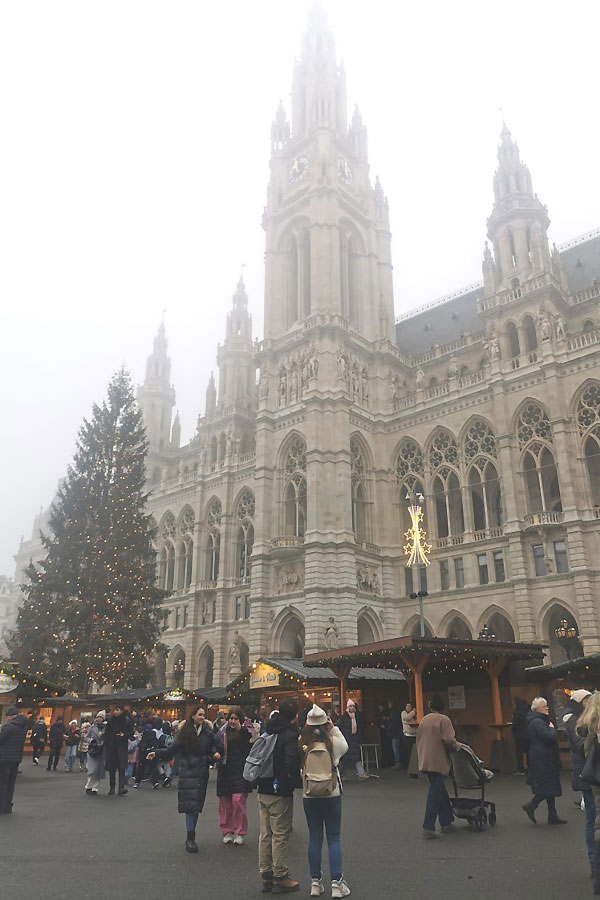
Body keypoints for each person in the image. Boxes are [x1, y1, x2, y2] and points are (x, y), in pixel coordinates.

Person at [147, 706, 220, 853]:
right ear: (193, 716)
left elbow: (213, 747)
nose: (202, 717)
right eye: (199, 715)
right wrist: (156, 753)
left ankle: (191, 835)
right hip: (188, 771)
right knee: (189, 806)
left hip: (201, 772)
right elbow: (172, 749)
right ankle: (190, 837)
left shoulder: (207, 732)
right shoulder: (185, 732)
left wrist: (214, 755)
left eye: (203, 715)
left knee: (196, 806)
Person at [301, 704, 350, 898]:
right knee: (334, 838)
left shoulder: (303, 744)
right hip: (331, 794)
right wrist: (333, 728)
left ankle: (315, 882)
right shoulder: (332, 743)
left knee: (314, 837)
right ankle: (337, 883)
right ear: (325, 723)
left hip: (309, 795)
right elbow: (345, 745)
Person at [257, 697, 303, 894]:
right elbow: (291, 761)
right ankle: (280, 876)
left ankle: (266, 874)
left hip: (263, 786)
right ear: (294, 715)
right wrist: (296, 782)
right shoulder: (289, 735)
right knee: (280, 834)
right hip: (279, 789)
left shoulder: (268, 730)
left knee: (265, 834)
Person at [416, 694, 460, 838]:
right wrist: (458, 746)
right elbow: (449, 740)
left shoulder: (424, 720)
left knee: (440, 790)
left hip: (425, 758)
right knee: (435, 792)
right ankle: (428, 827)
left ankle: (447, 822)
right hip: (438, 759)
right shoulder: (444, 720)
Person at [522, 697, 566, 825]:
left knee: (549, 785)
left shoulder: (536, 721)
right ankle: (532, 805)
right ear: (537, 709)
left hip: (543, 758)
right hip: (543, 759)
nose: (547, 708)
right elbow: (549, 737)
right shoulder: (538, 722)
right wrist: (552, 728)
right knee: (548, 785)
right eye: (544, 706)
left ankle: (552, 814)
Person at [563, 689, 594, 875]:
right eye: (587, 699)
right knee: (592, 819)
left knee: (593, 818)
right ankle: (594, 863)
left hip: (587, 772)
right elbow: (580, 745)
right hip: (587, 773)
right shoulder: (575, 720)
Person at [215, 706, 254, 845]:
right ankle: (227, 830)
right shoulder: (222, 733)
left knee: (238, 802)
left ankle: (239, 831)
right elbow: (215, 746)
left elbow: (251, 743)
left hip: (240, 771)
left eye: (236, 718)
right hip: (225, 771)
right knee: (225, 804)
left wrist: (241, 729)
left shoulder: (246, 732)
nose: (233, 721)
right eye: (231, 718)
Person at [577, 692, 600, 895]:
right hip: (595, 781)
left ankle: (597, 872)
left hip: (593, 781)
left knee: (595, 822)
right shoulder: (594, 731)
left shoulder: (587, 728)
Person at [0, 706, 28, 814]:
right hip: (16, 758)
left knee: (2, 784)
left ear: (11, 716)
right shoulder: (23, 727)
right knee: (11, 784)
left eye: (7, 716)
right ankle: (8, 806)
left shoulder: (8, 727)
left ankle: (1, 807)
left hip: (4, 759)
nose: (7, 718)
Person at [104, 705, 133, 796]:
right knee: (112, 768)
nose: (115, 712)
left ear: (122, 711)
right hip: (112, 746)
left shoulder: (126, 720)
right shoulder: (111, 721)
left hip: (121, 746)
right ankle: (112, 787)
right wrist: (107, 744)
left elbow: (130, 733)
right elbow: (106, 734)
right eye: (115, 710)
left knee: (121, 768)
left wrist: (124, 735)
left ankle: (121, 787)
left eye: (117, 710)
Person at [338, 700, 368, 781]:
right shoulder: (343, 717)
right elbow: (340, 728)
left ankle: (361, 774)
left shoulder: (357, 716)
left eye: (353, 706)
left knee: (357, 757)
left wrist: (360, 737)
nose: (352, 708)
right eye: (350, 706)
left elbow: (361, 727)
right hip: (346, 739)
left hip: (354, 738)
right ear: (347, 707)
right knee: (344, 758)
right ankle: (343, 775)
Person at [85, 710, 107, 796]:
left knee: (99, 771)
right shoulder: (92, 727)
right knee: (92, 770)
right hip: (92, 751)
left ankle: (95, 788)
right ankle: (88, 786)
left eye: (101, 717)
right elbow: (87, 737)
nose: (99, 718)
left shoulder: (106, 728)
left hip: (102, 751)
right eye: (98, 717)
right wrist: (92, 741)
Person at [511, 697, 529, 774]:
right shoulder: (528, 711)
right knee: (528, 751)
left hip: (519, 734)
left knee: (519, 752)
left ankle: (520, 769)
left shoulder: (517, 712)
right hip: (528, 734)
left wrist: (512, 730)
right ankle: (529, 767)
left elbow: (516, 723)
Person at [401, 702, 418, 772]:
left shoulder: (414, 715)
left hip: (415, 735)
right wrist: (413, 711)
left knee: (415, 752)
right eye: (407, 706)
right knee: (409, 752)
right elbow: (407, 718)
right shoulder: (404, 713)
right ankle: (410, 768)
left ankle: (415, 767)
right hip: (408, 735)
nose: (408, 707)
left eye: (409, 706)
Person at [387, 701, 403, 769]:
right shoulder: (396, 712)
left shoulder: (393, 713)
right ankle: (398, 762)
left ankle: (398, 763)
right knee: (396, 748)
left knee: (396, 749)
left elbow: (394, 723)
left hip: (395, 733)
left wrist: (388, 728)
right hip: (397, 733)